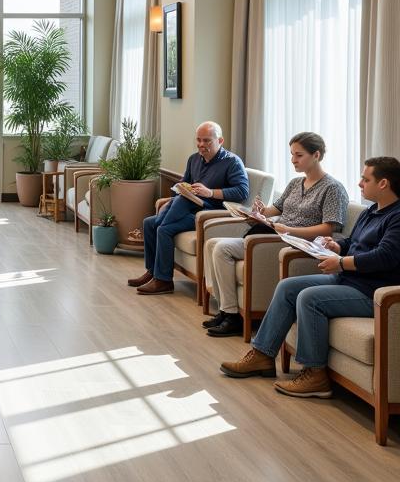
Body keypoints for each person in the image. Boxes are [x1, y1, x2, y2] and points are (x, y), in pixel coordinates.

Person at [220, 157, 400, 398]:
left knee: (309, 298)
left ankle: (315, 375)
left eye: (365, 179)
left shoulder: (396, 217)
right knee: (287, 287)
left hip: (373, 291)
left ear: (383, 183)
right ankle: (262, 356)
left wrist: (342, 263)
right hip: (351, 280)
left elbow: (385, 256)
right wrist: (337, 245)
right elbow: (354, 242)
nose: (359, 184)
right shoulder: (372, 210)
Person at [204, 132, 349, 336]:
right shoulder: (295, 183)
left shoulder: (332, 188)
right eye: (291, 154)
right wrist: (258, 212)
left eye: (299, 155)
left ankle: (232, 317)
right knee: (212, 244)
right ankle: (226, 310)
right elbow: (275, 210)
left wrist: (289, 230)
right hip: (276, 235)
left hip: (295, 242)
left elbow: (329, 228)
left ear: (316, 155)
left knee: (222, 248)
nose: (293, 160)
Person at [129, 121, 249, 295]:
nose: (201, 145)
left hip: (208, 213)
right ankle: (152, 272)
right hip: (187, 208)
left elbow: (242, 192)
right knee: (150, 222)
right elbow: (183, 184)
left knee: (163, 228)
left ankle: (163, 281)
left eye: (207, 140)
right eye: (199, 140)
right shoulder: (193, 159)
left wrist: (210, 193)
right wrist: (175, 197)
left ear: (220, 141)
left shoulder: (232, 162)